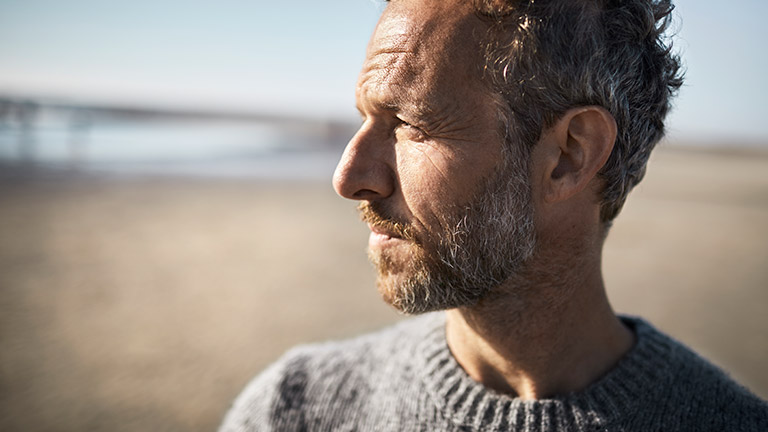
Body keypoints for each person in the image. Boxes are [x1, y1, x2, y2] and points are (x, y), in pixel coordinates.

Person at [220, 0, 768, 430]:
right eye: (365, 119)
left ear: (570, 155)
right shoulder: (296, 408)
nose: (349, 177)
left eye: (411, 124)